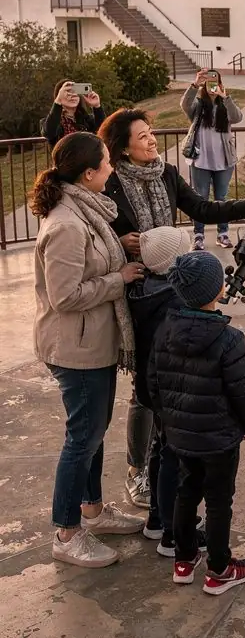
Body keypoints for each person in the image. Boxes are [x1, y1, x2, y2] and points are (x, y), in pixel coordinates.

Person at [98, 108, 245, 510]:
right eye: (142, 136)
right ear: (122, 146)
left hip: (172, 285)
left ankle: (169, 463)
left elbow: (202, 209)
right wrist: (119, 241)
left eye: (151, 132)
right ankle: (137, 470)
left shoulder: (166, 174)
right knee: (146, 388)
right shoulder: (108, 183)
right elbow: (98, 230)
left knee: (176, 379)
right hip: (138, 290)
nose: (151, 139)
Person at [30, 133, 146, 568]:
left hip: (91, 341)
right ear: (88, 174)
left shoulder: (85, 212)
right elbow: (64, 297)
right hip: (74, 348)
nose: (112, 168)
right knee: (82, 438)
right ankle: (66, 531)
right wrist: (121, 278)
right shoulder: (66, 225)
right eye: (106, 163)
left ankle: (92, 511)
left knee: (94, 432)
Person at [148, 250, 245, 594]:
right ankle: (219, 568)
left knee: (187, 491)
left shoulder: (164, 331)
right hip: (219, 441)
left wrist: (170, 422)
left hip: (181, 436)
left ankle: (183, 560)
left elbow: (153, 383)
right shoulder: (230, 340)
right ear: (216, 291)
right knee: (218, 501)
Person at [126, 225, 195, 556]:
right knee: (172, 456)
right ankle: (171, 532)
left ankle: (156, 519)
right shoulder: (171, 301)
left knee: (159, 447)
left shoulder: (146, 291)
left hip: (151, 386)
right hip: (171, 389)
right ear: (175, 263)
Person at [181, 70, 244, 250]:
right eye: (208, 81)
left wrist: (226, 97)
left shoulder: (225, 105)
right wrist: (195, 85)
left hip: (224, 161)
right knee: (200, 199)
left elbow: (238, 117)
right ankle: (199, 236)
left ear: (220, 83)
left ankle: (222, 234)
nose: (212, 85)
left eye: (215, 81)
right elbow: (185, 104)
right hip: (201, 160)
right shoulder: (199, 106)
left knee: (221, 198)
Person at [43, 80, 105, 149]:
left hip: (88, 158)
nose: (73, 95)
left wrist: (97, 107)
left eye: (75, 91)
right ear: (59, 96)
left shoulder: (87, 120)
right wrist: (58, 102)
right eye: (68, 92)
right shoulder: (50, 122)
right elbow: (49, 133)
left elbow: (104, 131)